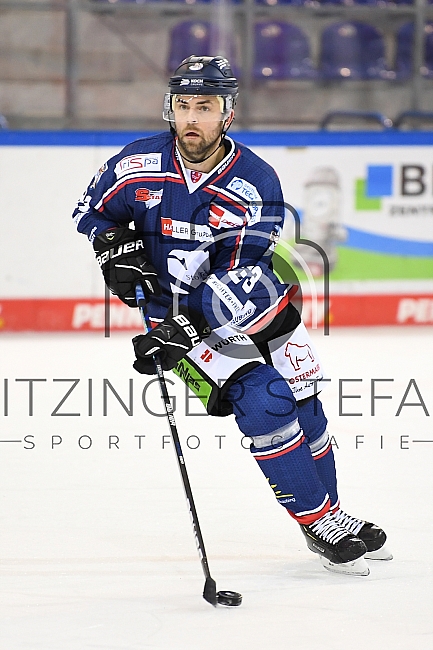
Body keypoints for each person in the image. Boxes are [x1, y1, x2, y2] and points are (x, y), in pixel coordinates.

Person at [73, 55, 391, 576]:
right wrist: (113, 247)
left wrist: (184, 328)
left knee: (307, 406)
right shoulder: (135, 163)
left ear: (228, 113)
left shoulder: (256, 180)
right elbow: (90, 211)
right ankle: (318, 522)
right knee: (266, 401)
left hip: (251, 305)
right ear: (169, 108)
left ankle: (331, 515)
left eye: (205, 107)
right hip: (172, 317)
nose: (191, 118)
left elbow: (239, 276)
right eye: (183, 105)